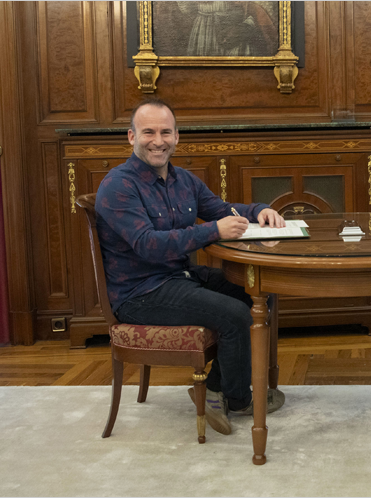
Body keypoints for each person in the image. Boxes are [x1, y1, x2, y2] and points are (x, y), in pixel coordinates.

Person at [95, 97, 286, 436]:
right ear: (131, 136)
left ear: (177, 137)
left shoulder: (184, 180)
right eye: (148, 132)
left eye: (166, 132)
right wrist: (212, 231)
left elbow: (222, 210)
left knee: (259, 293)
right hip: (140, 293)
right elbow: (148, 244)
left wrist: (258, 210)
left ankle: (215, 389)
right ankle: (239, 399)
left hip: (180, 278)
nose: (158, 140)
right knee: (236, 314)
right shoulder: (117, 186)